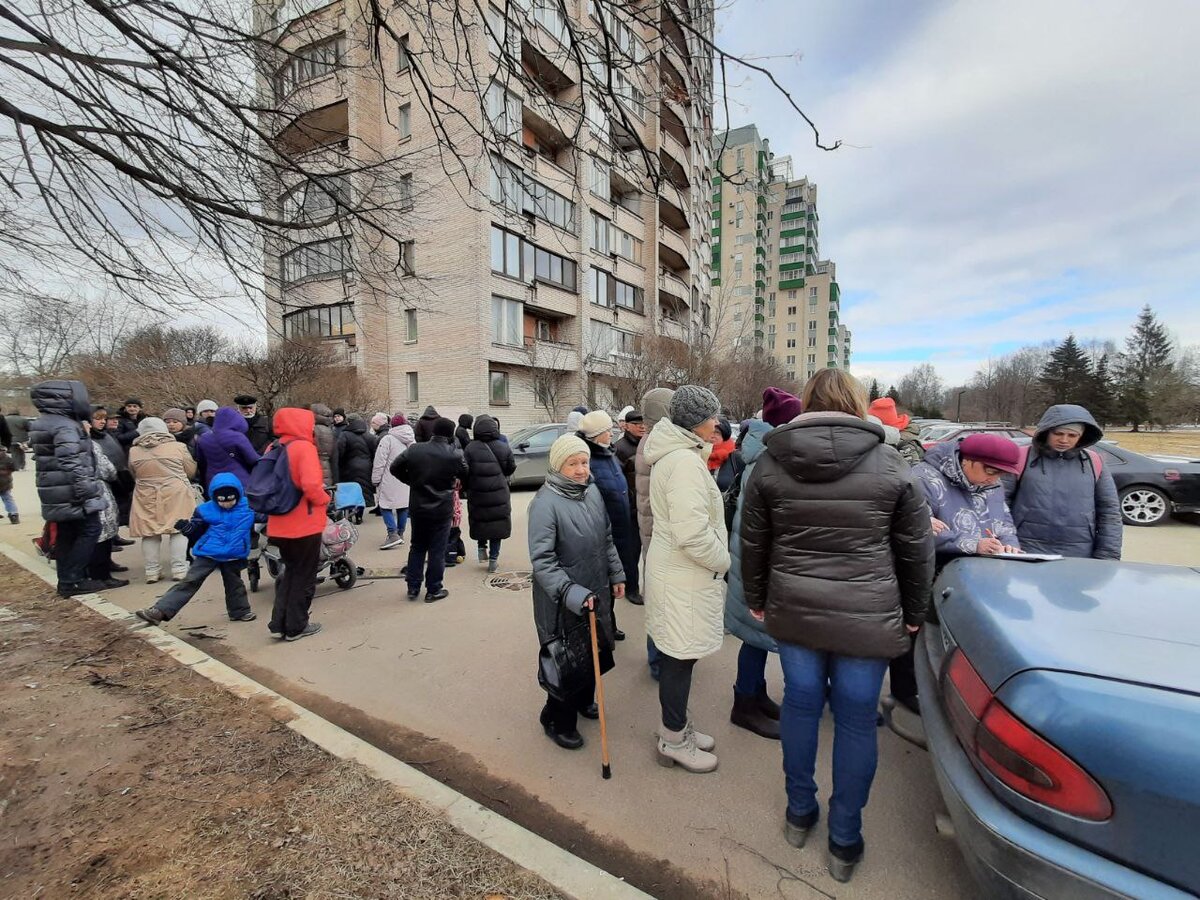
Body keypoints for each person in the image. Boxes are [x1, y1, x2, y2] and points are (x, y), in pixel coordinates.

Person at [740, 369, 935, 883]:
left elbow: (754, 539)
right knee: (854, 718)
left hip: (796, 605)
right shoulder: (890, 461)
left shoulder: (771, 461)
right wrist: (914, 611)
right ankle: (844, 838)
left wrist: (756, 598)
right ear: (855, 402)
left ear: (808, 403)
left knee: (802, 704)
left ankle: (799, 811)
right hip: (867, 612)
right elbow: (916, 548)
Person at [643, 385, 731, 773]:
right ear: (696, 422)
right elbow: (692, 533)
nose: (717, 423)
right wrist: (723, 561)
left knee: (679, 656)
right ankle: (673, 739)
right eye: (712, 416)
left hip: (678, 573)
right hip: (683, 577)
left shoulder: (682, 455)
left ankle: (675, 727)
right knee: (679, 658)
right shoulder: (683, 462)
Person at [528, 433, 625, 749]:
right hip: (562, 599)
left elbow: (606, 538)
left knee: (593, 651)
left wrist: (616, 574)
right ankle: (557, 720)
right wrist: (572, 593)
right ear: (558, 465)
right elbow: (543, 562)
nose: (582, 470)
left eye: (584, 462)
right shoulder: (545, 504)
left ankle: (584, 701)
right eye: (573, 464)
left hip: (596, 589)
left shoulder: (592, 492)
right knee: (567, 661)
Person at [725, 387, 803, 741]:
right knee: (756, 637)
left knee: (755, 638)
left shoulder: (763, 454)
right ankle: (744, 705)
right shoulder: (769, 461)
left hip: (754, 562)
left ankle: (754, 695)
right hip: (759, 565)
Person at [135, 473, 257, 625]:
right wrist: (188, 528)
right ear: (214, 497)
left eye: (231, 499)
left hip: (234, 554)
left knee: (235, 584)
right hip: (208, 553)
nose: (226, 504)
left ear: (238, 494)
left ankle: (240, 611)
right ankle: (160, 611)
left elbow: (264, 516)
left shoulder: (249, 508)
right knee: (190, 581)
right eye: (221, 500)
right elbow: (196, 532)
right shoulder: (205, 510)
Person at [1007, 404, 1122, 559]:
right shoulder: (1021, 457)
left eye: (1072, 435)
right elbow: (999, 505)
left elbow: (1109, 512)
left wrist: (1108, 555)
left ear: (1081, 436)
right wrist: (1006, 542)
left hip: (1079, 550)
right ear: (1046, 431)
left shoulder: (1094, 462)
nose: (1064, 440)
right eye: (1058, 433)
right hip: (1025, 547)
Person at [30, 380, 108, 596]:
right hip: (72, 491)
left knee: (66, 535)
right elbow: (71, 461)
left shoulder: (43, 422)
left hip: (56, 490)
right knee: (90, 530)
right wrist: (88, 490)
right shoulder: (65, 426)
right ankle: (73, 578)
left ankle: (66, 582)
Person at [266, 407, 329, 641]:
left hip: (279, 521)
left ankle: (279, 623)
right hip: (303, 523)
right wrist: (325, 499)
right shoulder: (303, 448)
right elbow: (311, 486)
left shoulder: (274, 447)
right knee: (304, 576)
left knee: (290, 572)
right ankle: (296, 626)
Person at [912, 433, 1023, 562]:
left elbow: (1004, 521)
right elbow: (917, 529)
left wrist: (1010, 545)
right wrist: (973, 545)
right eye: (990, 472)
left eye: (1001, 475)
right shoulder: (923, 480)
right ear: (966, 460)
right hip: (941, 569)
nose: (993, 480)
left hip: (988, 568)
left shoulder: (993, 485)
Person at [393, 417, 467, 602]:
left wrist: (412, 481)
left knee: (417, 546)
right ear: (450, 435)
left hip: (418, 506)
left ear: (434, 431)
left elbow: (395, 467)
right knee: (437, 549)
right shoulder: (454, 454)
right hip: (442, 508)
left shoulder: (415, 449)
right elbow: (466, 472)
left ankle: (413, 587)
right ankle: (433, 589)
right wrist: (451, 480)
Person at [576, 410, 633, 639]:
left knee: (612, 582)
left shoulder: (608, 453)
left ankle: (608, 624)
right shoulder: (589, 459)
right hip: (602, 532)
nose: (612, 433)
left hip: (618, 530)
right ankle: (599, 631)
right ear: (597, 434)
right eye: (607, 430)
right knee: (601, 584)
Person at [129, 417, 197, 583]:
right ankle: (179, 569)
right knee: (178, 529)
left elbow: (133, 472)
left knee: (149, 532)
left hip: (145, 493)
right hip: (176, 491)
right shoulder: (178, 447)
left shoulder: (134, 451)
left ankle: (151, 571)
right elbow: (190, 470)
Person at [635, 387, 674, 676]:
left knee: (659, 595)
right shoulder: (661, 443)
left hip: (652, 528)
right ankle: (659, 660)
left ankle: (658, 657)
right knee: (663, 599)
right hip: (659, 530)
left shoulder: (649, 440)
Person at [463, 414, 516, 572]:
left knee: (481, 521)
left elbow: (464, 470)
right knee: (497, 526)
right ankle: (493, 561)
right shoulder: (503, 446)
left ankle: (481, 550)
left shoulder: (470, 448)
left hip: (477, 492)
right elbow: (510, 468)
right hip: (498, 493)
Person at [612, 409, 644, 604]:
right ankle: (632, 589)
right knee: (631, 552)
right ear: (627, 426)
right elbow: (617, 482)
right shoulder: (620, 448)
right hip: (631, 510)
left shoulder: (648, 445)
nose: (641, 427)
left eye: (643, 423)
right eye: (636, 424)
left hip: (647, 508)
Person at [195, 406, 260, 494]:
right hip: (239, 480)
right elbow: (252, 459)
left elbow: (201, 462)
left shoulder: (204, 438)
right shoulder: (237, 437)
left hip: (214, 482)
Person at [373, 413, 415, 550]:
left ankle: (392, 534)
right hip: (406, 479)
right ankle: (400, 533)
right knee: (403, 506)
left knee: (384, 505)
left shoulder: (388, 439)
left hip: (389, 478)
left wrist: (375, 479)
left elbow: (380, 462)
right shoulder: (411, 440)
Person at [337, 414, 375, 520]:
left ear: (349, 422)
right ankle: (359, 516)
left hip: (348, 468)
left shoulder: (344, 435)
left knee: (350, 491)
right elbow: (374, 453)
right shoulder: (369, 436)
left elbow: (340, 452)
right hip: (366, 468)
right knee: (363, 491)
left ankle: (349, 514)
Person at [310, 403, 339, 487]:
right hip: (327, 471)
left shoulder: (311, 430)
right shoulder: (330, 431)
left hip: (313, 471)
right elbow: (334, 458)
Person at [0, 443, 17, 525]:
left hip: (5, 482)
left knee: (7, 498)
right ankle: (14, 514)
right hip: (6, 482)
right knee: (8, 498)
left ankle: (13, 514)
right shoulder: (8, 458)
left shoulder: (8, 459)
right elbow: (13, 468)